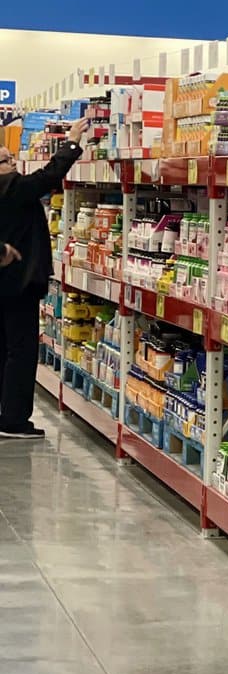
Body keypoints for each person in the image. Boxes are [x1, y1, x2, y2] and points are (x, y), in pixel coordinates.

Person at [0, 116, 86, 438]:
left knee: (5, 347)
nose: (13, 164)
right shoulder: (10, 188)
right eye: (6, 161)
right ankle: (13, 420)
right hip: (17, 283)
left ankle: (4, 412)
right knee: (21, 350)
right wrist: (73, 142)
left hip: (5, 283)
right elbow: (49, 175)